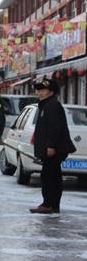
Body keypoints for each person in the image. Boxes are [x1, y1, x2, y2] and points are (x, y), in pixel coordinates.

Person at [30, 78, 76, 214]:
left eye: (43, 90)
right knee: (53, 176)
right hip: (53, 148)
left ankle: (48, 204)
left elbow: (55, 128)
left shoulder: (52, 105)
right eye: (38, 90)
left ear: (51, 92)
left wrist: (51, 146)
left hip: (54, 149)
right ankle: (53, 205)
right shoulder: (46, 105)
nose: (39, 93)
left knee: (48, 177)